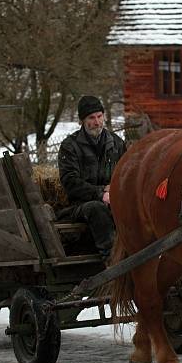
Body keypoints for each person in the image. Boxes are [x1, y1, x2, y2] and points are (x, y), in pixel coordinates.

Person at [58, 96, 126, 260]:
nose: (97, 122)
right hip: (80, 205)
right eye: (91, 118)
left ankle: (138, 253)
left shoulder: (116, 143)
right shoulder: (70, 146)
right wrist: (101, 192)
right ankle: (111, 260)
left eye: (99, 116)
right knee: (97, 208)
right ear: (82, 120)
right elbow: (70, 182)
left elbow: (126, 174)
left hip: (113, 198)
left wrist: (115, 191)